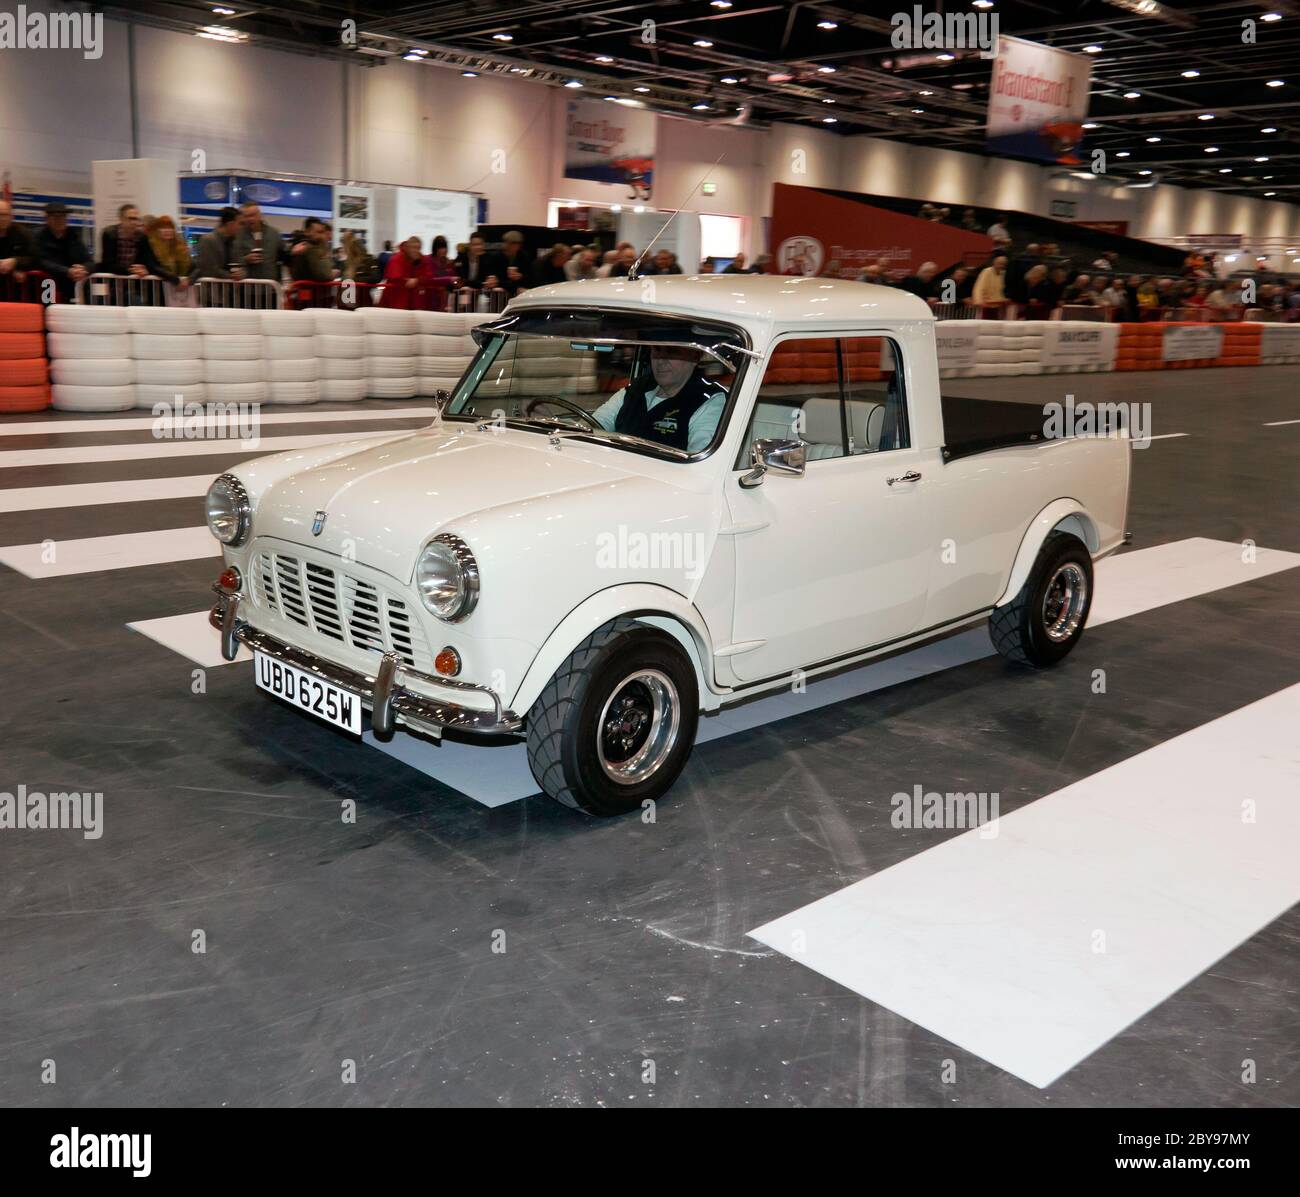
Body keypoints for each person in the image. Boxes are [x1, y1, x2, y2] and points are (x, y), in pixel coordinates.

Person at [590, 344, 727, 453]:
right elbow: (594, 425)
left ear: (695, 357)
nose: (661, 360)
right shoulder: (636, 389)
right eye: (656, 350)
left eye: (672, 352)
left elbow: (700, 460)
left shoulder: (710, 400)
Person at [95, 203, 177, 290]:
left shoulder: (141, 237)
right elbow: (107, 263)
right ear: (121, 219)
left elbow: (151, 263)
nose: (134, 222)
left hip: (132, 285)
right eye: (131, 219)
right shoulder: (109, 234)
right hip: (110, 283)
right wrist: (131, 270)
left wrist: (174, 278)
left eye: (136, 219)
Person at [34, 201, 89, 300]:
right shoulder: (39, 237)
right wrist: (67, 271)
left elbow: (89, 261)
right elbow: (40, 262)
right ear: (47, 219)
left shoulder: (73, 236)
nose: (60, 220)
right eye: (56, 217)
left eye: (63, 216)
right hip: (48, 283)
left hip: (73, 283)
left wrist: (83, 269)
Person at [232, 202, 288, 282]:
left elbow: (284, 256)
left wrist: (293, 252)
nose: (250, 219)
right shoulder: (238, 235)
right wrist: (245, 259)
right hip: (247, 287)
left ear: (260, 216)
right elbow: (233, 259)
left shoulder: (274, 234)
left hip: (270, 286)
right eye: (246, 216)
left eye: (253, 215)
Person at [147, 214, 193, 303]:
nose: (168, 230)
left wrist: (189, 279)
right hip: (158, 293)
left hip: (179, 292)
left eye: (170, 228)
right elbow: (154, 267)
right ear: (157, 230)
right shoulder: (151, 247)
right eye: (163, 228)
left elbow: (193, 266)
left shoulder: (180, 247)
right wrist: (175, 280)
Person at [190, 206, 244, 282]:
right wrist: (230, 276)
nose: (241, 227)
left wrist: (241, 273)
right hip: (211, 291)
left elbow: (240, 264)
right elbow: (209, 270)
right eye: (240, 224)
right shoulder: (207, 240)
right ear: (230, 224)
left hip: (230, 291)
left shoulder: (235, 242)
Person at [380, 236, 426, 308]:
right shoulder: (397, 259)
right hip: (395, 301)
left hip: (412, 302)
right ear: (408, 247)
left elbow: (427, 275)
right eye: (413, 247)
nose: (416, 250)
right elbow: (394, 276)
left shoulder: (421, 259)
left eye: (418, 248)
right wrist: (409, 281)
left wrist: (417, 280)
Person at [289, 217, 336, 282]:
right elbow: (325, 276)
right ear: (307, 232)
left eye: (322, 232)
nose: (322, 236)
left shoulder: (302, 247)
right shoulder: (312, 250)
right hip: (311, 290)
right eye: (319, 232)